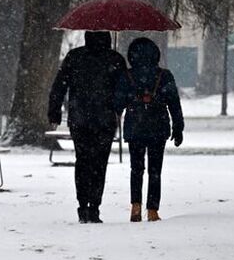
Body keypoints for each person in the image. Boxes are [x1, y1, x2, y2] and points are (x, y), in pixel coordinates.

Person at [48, 31, 127, 223]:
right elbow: (123, 89)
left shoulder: (75, 57)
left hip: (80, 118)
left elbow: (59, 86)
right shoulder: (114, 59)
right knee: (99, 164)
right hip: (105, 120)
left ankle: (83, 205)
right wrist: (118, 107)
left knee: (82, 161)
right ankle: (94, 206)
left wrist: (55, 112)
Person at [114, 37, 184, 222]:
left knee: (136, 169)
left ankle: (135, 207)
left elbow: (118, 103)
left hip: (135, 127)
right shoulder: (164, 76)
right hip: (158, 127)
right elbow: (174, 104)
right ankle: (152, 210)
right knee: (155, 170)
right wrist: (178, 127)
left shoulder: (127, 75)